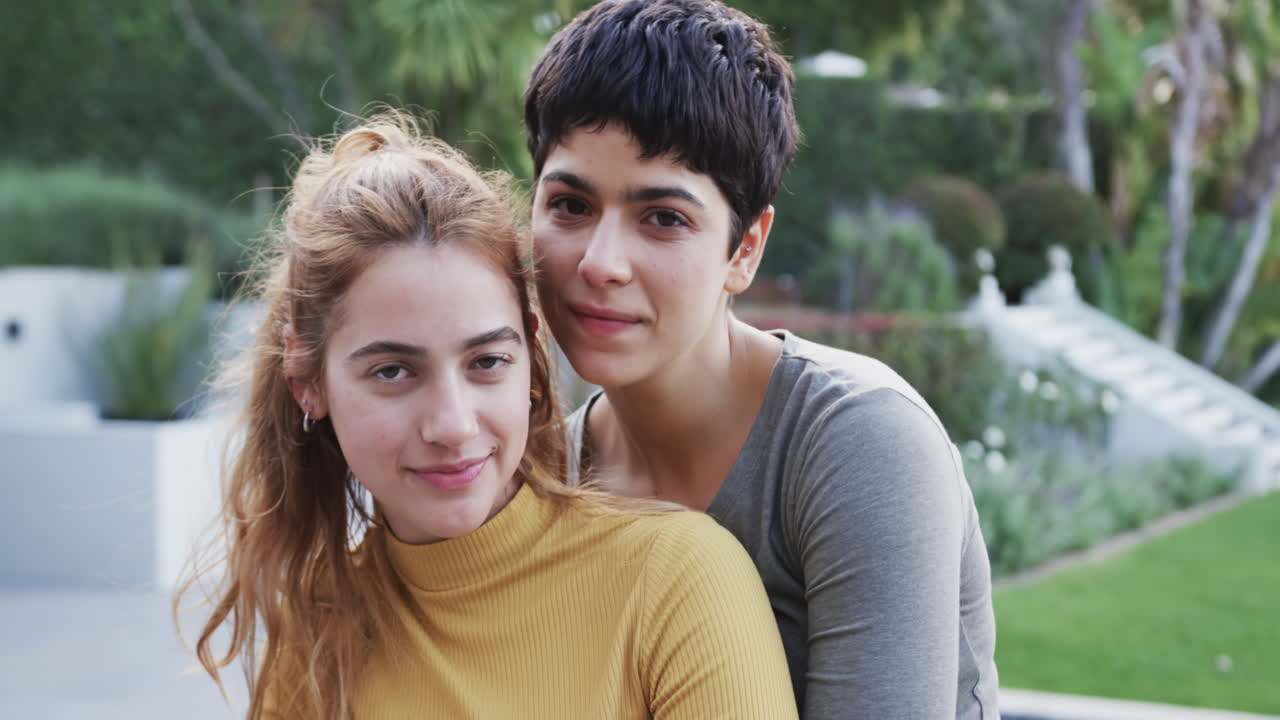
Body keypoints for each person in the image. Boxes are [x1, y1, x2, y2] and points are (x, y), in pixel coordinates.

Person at [174, 114, 798, 720]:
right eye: (393, 371)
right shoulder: (318, 625)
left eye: (487, 361)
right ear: (308, 383)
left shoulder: (677, 581)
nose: (453, 425)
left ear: (530, 356)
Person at [524, 1, 1000, 717]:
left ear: (744, 249)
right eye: (569, 205)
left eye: (663, 219)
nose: (601, 263)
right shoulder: (544, 473)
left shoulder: (858, 444)